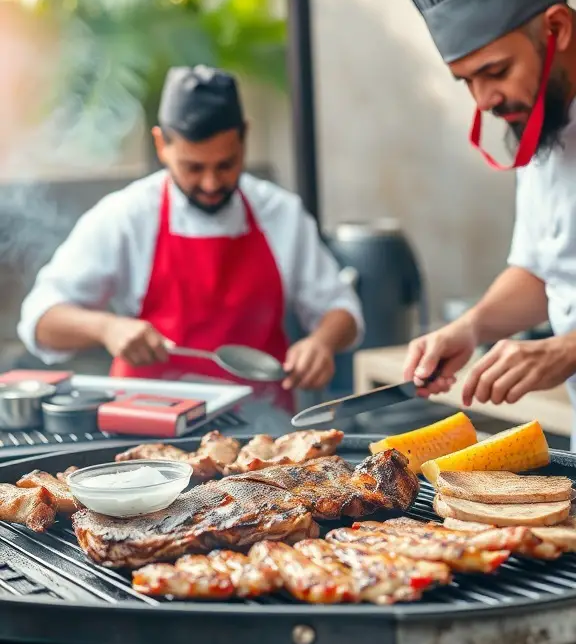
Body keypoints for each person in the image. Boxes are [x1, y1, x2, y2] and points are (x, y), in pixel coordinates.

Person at [18, 66, 363, 409]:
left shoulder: (281, 212)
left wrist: (322, 342)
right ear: (161, 145)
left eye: (226, 165)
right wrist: (108, 328)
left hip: (260, 426)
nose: (211, 184)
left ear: (244, 137)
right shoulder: (127, 215)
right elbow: (39, 320)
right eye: (193, 168)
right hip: (146, 422)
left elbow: (341, 308)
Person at [369, 0, 576, 447]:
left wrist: (568, 348)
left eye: (496, 71)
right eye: (467, 80)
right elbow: (543, 271)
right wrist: (472, 328)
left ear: (557, 27)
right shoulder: (543, 121)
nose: (485, 100)